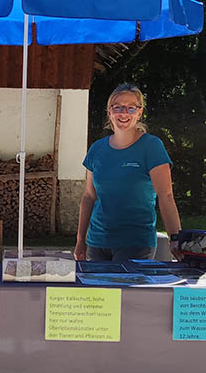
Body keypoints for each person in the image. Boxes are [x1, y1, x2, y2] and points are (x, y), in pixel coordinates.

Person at [74, 84, 183, 262]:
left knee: (124, 291)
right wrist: (80, 241)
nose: (124, 113)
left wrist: (175, 238)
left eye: (131, 107)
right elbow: (88, 197)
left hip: (136, 245)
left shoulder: (152, 146)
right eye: (118, 107)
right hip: (96, 243)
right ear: (109, 112)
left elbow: (166, 196)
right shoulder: (97, 149)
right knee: (97, 291)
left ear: (139, 113)